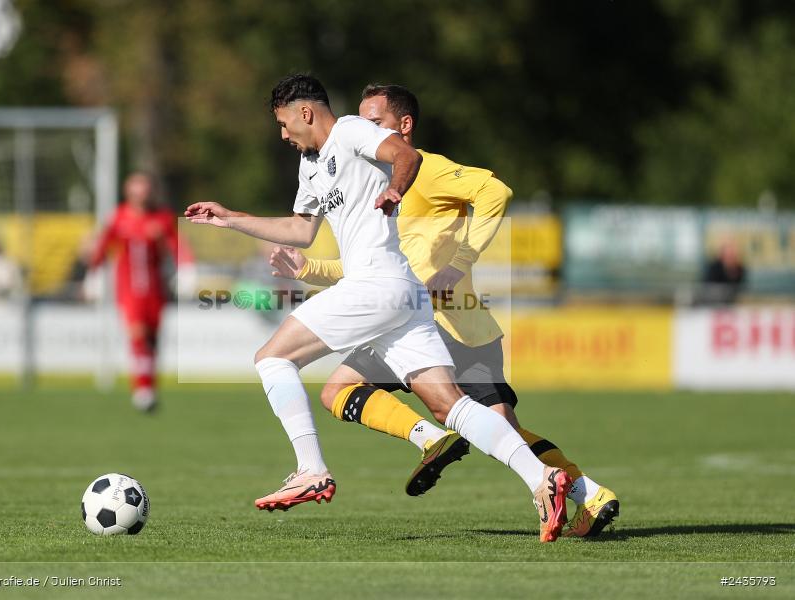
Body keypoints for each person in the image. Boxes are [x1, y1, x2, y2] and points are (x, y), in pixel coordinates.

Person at [186, 74, 571, 542]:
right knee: (451, 407)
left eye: (285, 124)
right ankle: (543, 479)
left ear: (306, 112)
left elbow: (406, 155)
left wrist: (396, 189)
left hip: (376, 284)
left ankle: (311, 469)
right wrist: (230, 219)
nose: (283, 135)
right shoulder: (311, 166)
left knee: (272, 357)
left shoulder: (351, 130)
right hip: (403, 296)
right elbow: (300, 230)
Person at [269, 83, 620, 538]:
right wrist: (308, 266)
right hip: (410, 311)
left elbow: (495, 190)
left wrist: (460, 263)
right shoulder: (366, 174)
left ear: (404, 126)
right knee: (345, 391)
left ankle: (582, 491)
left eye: (373, 123)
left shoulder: (424, 169)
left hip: (453, 322)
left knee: (489, 424)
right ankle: (570, 487)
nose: (361, 130)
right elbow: (370, 262)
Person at [89, 172, 195, 412]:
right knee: (137, 334)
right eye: (136, 189)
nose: (141, 194)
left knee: (152, 340)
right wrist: (93, 274)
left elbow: (177, 244)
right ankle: (142, 388)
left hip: (155, 288)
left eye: (145, 189)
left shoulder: (162, 217)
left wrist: (186, 268)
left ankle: (149, 387)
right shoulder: (118, 217)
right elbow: (103, 246)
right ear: (128, 192)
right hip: (128, 288)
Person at [701, 239, 746, 305]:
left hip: (732, 303)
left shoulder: (740, 269)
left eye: (732, 254)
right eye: (728, 254)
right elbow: (708, 287)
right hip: (712, 302)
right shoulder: (714, 267)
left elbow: (740, 288)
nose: (730, 256)